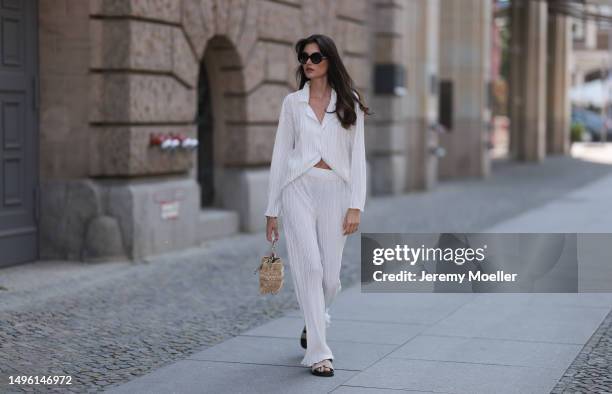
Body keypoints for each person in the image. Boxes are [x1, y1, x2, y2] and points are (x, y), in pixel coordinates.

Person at [264, 34, 370, 377]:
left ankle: (317, 319)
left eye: (315, 56)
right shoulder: (291, 103)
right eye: (303, 57)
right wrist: (272, 209)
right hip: (298, 189)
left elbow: (358, 156)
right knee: (309, 268)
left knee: (330, 280)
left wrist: (357, 205)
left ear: (329, 60)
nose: (307, 62)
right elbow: (281, 154)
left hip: (336, 192)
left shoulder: (348, 101)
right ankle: (319, 353)